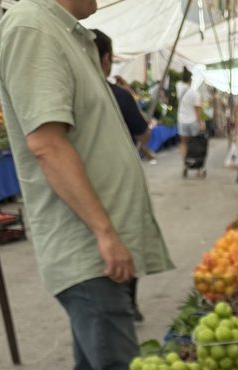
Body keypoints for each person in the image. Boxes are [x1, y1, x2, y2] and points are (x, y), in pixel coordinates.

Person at [0, 0, 172, 370]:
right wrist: (104, 232)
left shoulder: (67, 34)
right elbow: (47, 145)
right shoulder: (32, 27)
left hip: (97, 243)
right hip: (86, 245)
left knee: (95, 369)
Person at [92, 28, 149, 321]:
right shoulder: (119, 95)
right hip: (121, 185)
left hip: (86, 185)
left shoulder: (73, 95)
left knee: (98, 244)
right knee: (127, 241)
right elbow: (143, 132)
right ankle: (127, 302)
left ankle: (107, 302)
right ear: (105, 59)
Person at [176, 66, 204, 166]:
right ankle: (194, 161)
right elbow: (197, 111)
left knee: (183, 143)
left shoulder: (178, 86)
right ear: (190, 79)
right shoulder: (195, 93)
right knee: (194, 143)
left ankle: (185, 162)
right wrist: (200, 122)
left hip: (181, 120)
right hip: (192, 121)